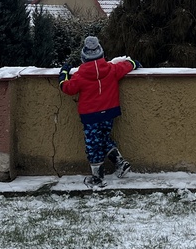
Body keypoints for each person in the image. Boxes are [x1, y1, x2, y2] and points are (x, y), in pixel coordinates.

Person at [60, 36, 140, 188]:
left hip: (91, 116)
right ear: (101, 54)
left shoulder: (80, 75)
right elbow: (126, 66)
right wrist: (134, 63)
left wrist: (64, 72)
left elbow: (67, 88)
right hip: (109, 113)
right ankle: (120, 163)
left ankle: (97, 178)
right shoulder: (112, 69)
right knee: (103, 138)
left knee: (93, 145)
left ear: (83, 58)